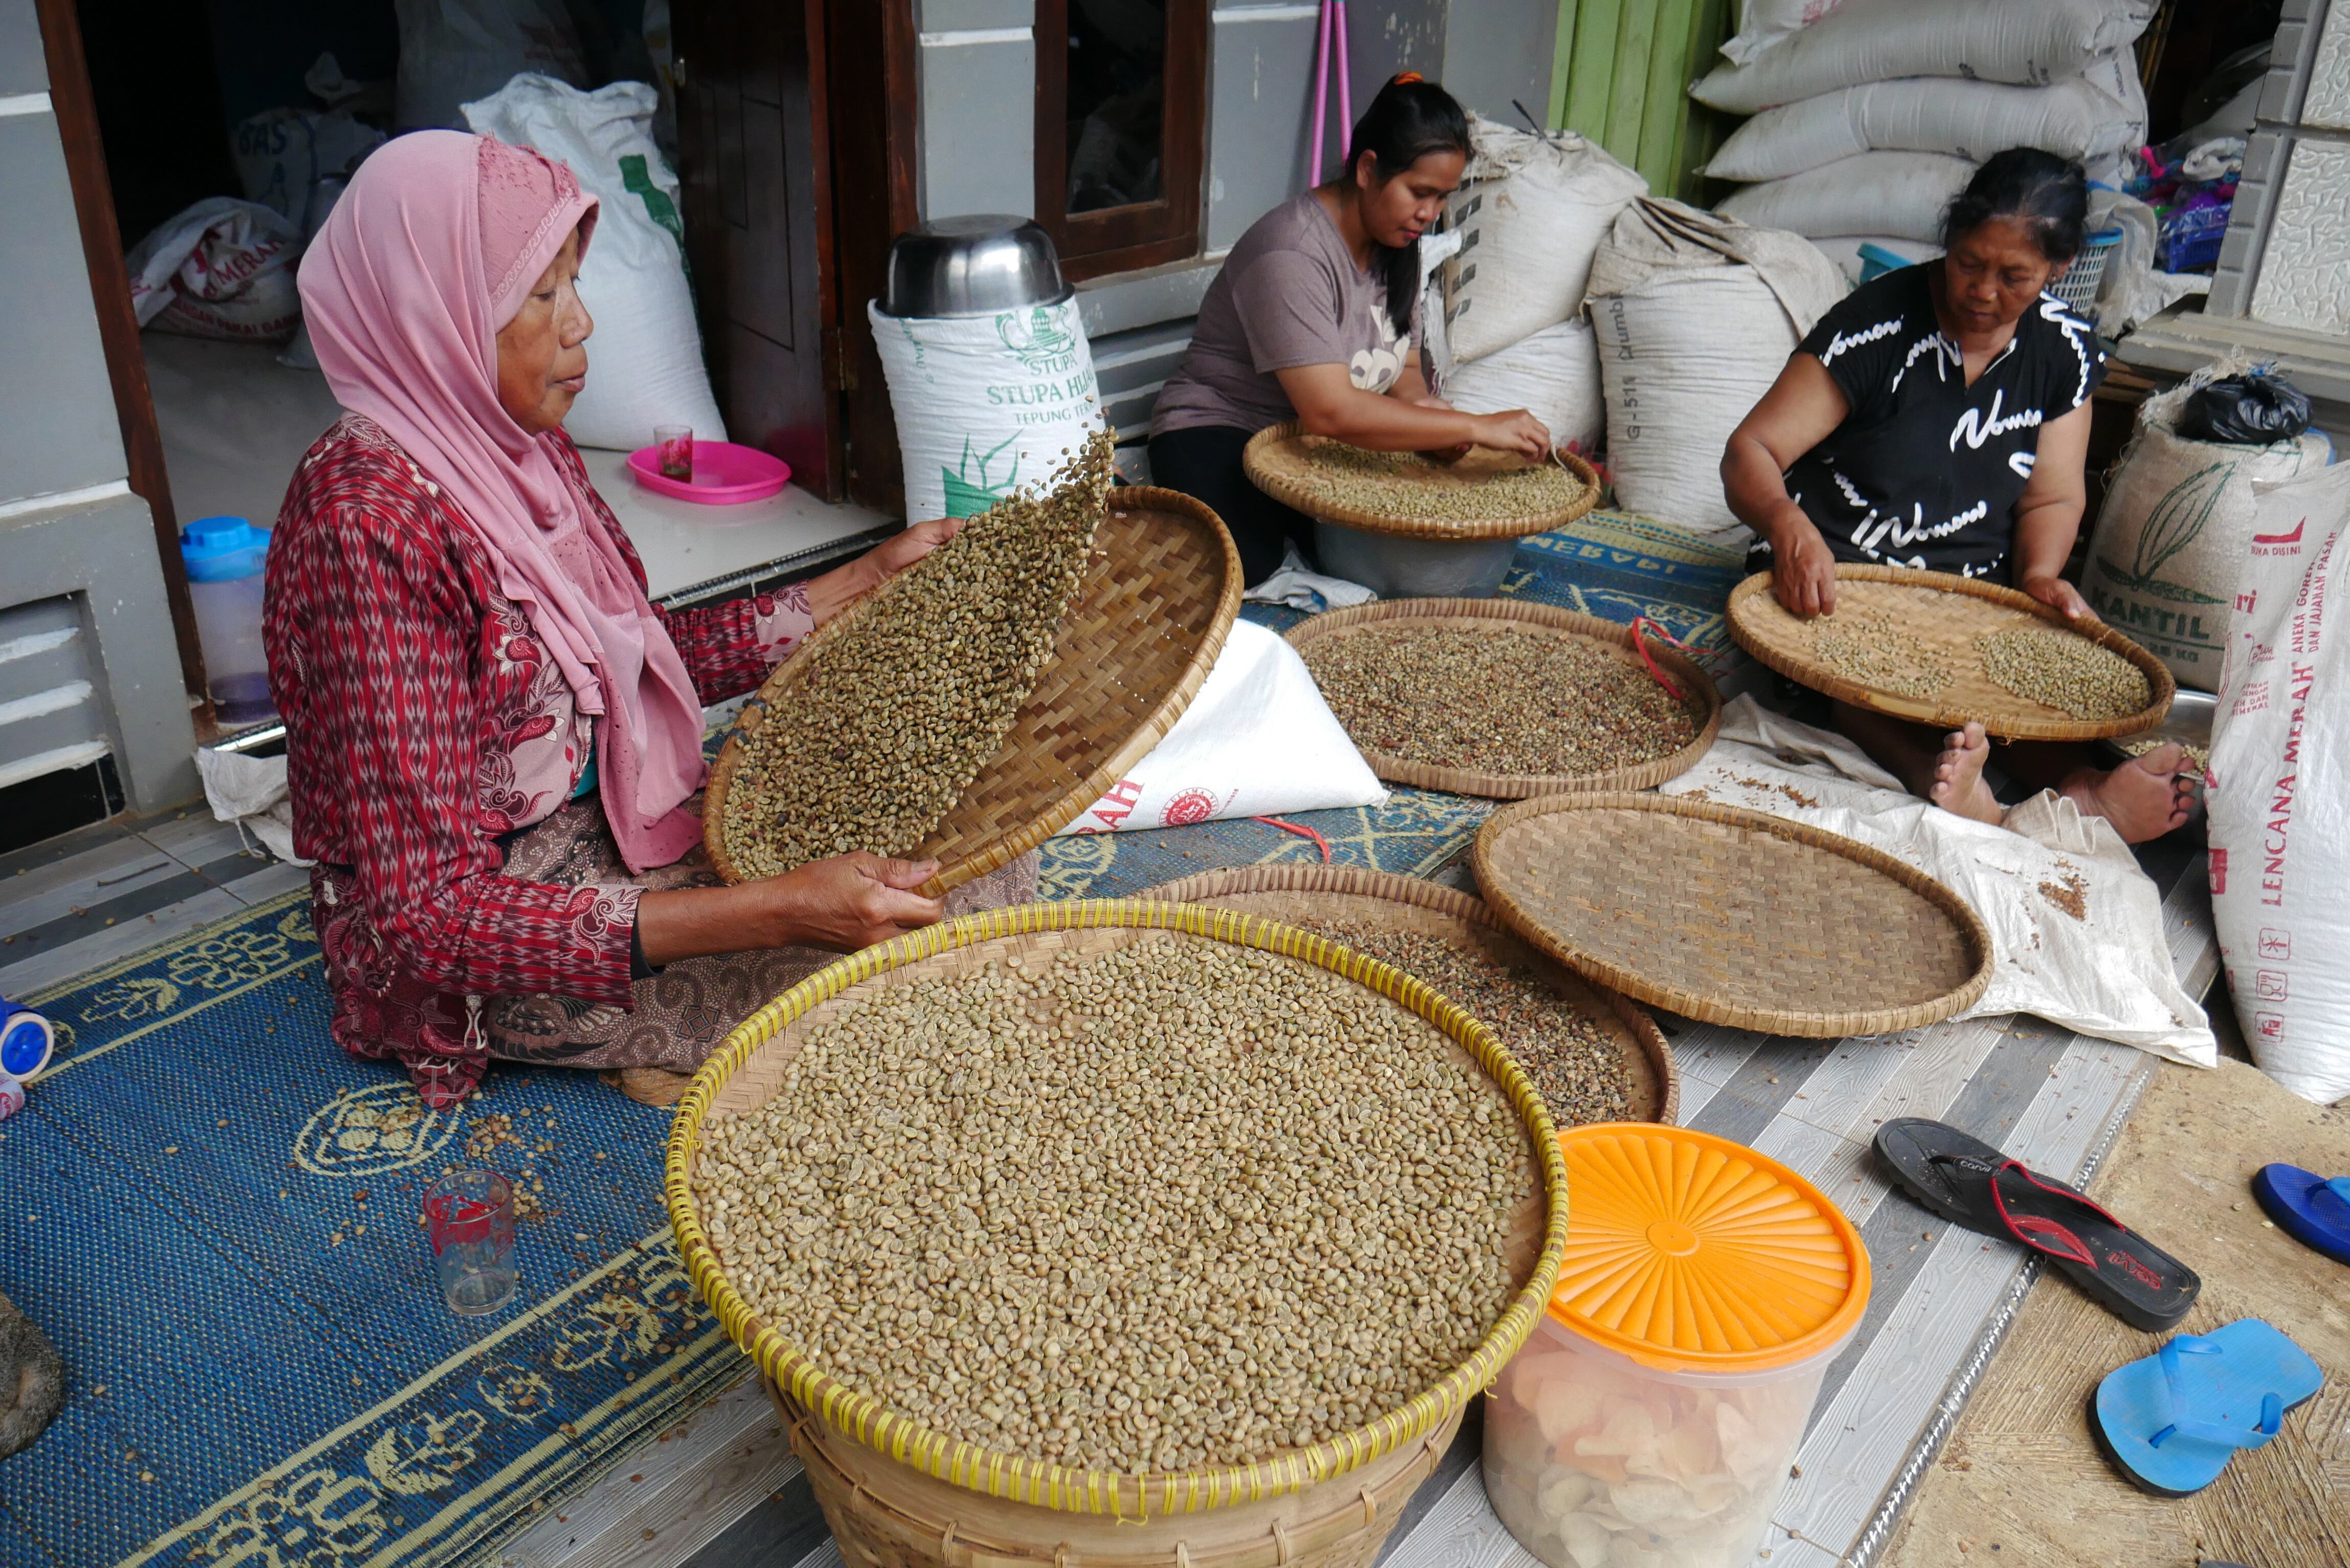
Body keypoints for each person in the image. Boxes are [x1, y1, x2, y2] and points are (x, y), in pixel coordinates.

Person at [268, 130, 1024, 1110]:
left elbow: (626, 664)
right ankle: (657, 1043)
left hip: (618, 815)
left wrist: (861, 580)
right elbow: (430, 916)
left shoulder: (518, 448)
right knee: (926, 944)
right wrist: (773, 911)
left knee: (976, 848)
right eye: (541, 298)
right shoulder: (362, 531)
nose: (580, 326)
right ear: (435, 315)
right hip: (506, 925)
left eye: (573, 286)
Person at [1722, 148, 2195, 843]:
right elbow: (1750, 453)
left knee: (2004, 677)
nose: (1982, 290)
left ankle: (2082, 783)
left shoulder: (2063, 350)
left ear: (2059, 269)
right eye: (1969, 263)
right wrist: (1789, 525)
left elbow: (2053, 500)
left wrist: (2038, 577)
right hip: (1838, 572)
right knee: (1848, 670)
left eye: (2014, 277)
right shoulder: (1879, 324)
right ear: (1950, 242)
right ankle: (1936, 778)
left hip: (1968, 595)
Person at [1148, 74, 1552, 586]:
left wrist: (1423, 409)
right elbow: (1329, 410)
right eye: (1419, 193)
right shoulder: (1291, 252)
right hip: (1222, 429)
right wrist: (1474, 425)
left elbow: (1402, 363)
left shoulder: (1395, 239)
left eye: (1441, 198)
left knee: (1398, 539)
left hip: (1315, 444)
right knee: (1245, 563)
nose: (1428, 216)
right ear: (1367, 169)